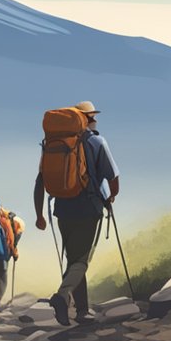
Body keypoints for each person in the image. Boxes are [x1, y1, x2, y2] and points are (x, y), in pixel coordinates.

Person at [34, 100, 120, 326]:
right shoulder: (97, 141)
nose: (95, 120)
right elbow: (113, 177)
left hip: (62, 209)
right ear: (86, 119)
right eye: (92, 116)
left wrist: (39, 215)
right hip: (89, 208)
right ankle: (62, 297)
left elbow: (40, 180)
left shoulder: (52, 144)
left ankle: (82, 311)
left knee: (73, 259)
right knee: (81, 261)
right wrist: (111, 196)